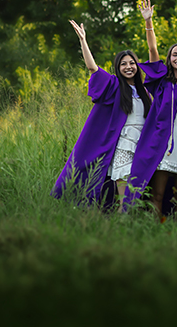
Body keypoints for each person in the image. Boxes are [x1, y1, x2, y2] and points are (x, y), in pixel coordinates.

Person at [52, 19, 151, 211]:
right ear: (118, 67)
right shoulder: (114, 85)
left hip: (142, 145)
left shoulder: (145, 92)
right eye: (123, 64)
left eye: (132, 63)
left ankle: (123, 222)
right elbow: (93, 69)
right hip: (124, 143)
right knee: (124, 193)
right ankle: (122, 224)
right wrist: (83, 40)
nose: (128, 67)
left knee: (137, 191)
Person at [123, 0, 177, 219]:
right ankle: (155, 231)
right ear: (170, 59)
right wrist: (149, 22)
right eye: (175, 54)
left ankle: (176, 235)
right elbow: (152, 49)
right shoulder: (162, 82)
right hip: (163, 143)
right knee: (157, 194)